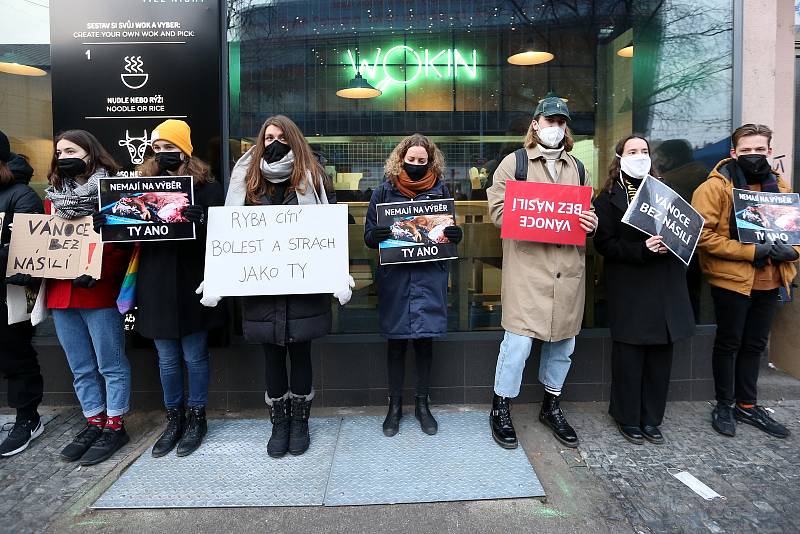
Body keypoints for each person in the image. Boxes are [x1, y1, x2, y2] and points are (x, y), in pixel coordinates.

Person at [96, 120, 226, 457]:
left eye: (170, 147)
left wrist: (205, 221)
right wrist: (109, 226)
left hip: (191, 281)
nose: (163, 153)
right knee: (167, 359)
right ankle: (174, 419)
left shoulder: (209, 188)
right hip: (153, 282)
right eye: (158, 147)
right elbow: (127, 242)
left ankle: (198, 417)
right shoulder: (139, 187)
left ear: (185, 149)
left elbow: (224, 243)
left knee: (194, 356)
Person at [225, 115, 351, 458]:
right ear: (260, 140)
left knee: (301, 352)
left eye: (280, 137)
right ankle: (278, 424)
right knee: (271, 356)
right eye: (268, 137)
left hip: (304, 285)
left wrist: (337, 271)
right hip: (262, 286)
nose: (274, 143)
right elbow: (233, 230)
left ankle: (300, 422)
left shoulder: (314, 177)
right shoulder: (247, 180)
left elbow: (328, 229)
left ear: (293, 139)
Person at [486, 95, 598, 449]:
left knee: (563, 344)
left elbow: (587, 213)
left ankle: (552, 405)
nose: (555, 127)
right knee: (517, 345)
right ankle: (501, 406)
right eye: (549, 121)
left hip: (567, 272)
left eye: (561, 122)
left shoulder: (578, 167)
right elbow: (498, 213)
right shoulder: (514, 163)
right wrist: (537, 217)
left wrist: (591, 222)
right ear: (535, 124)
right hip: (528, 272)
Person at [691, 124, 798, 439]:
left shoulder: (779, 185)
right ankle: (724, 404)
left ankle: (747, 406)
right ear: (734, 152)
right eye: (746, 149)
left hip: (770, 279)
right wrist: (750, 250)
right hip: (732, 281)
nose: (754, 155)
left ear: (768, 150)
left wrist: (791, 252)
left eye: (759, 149)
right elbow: (702, 235)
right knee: (728, 344)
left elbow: (794, 230)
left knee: (754, 345)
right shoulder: (715, 186)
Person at [593, 135, 695, 444]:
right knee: (630, 356)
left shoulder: (667, 192)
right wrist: (643, 250)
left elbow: (686, 229)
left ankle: (652, 418)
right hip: (631, 288)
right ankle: (627, 417)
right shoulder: (607, 198)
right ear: (620, 157)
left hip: (665, 286)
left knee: (660, 357)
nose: (640, 156)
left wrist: (679, 242)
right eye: (633, 151)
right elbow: (604, 244)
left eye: (644, 151)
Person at [364, 134, 463, 437]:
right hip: (395, 281)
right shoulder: (383, 191)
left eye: (422, 161)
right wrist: (377, 235)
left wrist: (456, 235)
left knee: (424, 342)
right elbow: (369, 236)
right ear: (401, 159)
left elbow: (447, 233)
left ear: (430, 162)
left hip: (428, 278)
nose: (417, 165)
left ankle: (422, 405)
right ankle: (394, 406)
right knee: (395, 343)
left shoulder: (441, 191)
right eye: (412, 160)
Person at [45, 130, 132, 466]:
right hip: (61, 293)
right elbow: (41, 243)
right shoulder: (52, 198)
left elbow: (126, 245)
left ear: (90, 153)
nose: (63, 155)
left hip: (97, 292)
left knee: (110, 363)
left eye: (71, 150)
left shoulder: (112, 195)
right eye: (59, 151)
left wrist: (100, 265)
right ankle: (93, 421)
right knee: (80, 367)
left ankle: (115, 425)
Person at [0, 132, 46, 457]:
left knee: (15, 356)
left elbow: (29, 251)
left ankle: (27, 419)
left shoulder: (22, 195)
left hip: (11, 296)